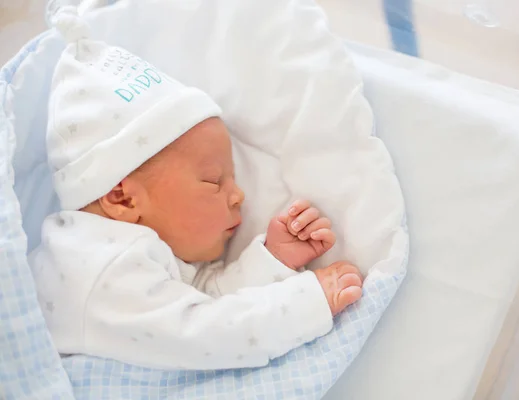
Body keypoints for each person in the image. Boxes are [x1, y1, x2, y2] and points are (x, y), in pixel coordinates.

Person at [29, 32, 363, 370]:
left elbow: (199, 300)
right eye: (214, 181)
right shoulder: (101, 266)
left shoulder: (132, 251)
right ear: (123, 198)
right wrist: (304, 305)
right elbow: (205, 335)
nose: (239, 195)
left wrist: (274, 260)